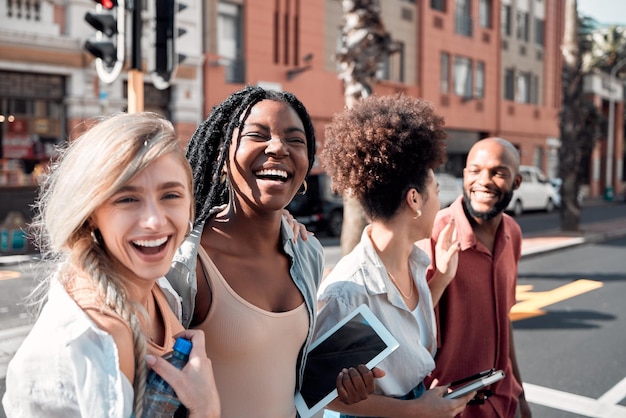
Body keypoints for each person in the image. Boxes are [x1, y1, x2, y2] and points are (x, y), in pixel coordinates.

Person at [166, 86, 380, 418]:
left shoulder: (307, 252)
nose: (278, 147)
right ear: (223, 157)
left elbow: (287, 375)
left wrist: (340, 383)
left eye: (296, 140)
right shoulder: (185, 261)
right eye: (257, 135)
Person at [2, 112, 220, 418]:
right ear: (91, 212)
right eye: (127, 199)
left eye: (170, 195)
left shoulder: (161, 289)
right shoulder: (86, 343)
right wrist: (205, 409)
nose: (155, 221)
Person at [314, 94, 475, 417]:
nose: (440, 205)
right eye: (437, 193)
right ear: (414, 200)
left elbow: (404, 331)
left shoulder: (414, 262)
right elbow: (318, 390)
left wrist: (440, 280)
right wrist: (418, 410)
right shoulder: (349, 291)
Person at [423, 137, 532, 417]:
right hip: (452, 407)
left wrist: (520, 393)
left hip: (504, 401)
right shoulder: (434, 234)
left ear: (516, 182)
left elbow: (504, 320)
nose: (484, 181)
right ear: (464, 174)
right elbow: (412, 330)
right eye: (475, 170)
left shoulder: (513, 233)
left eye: (498, 172)